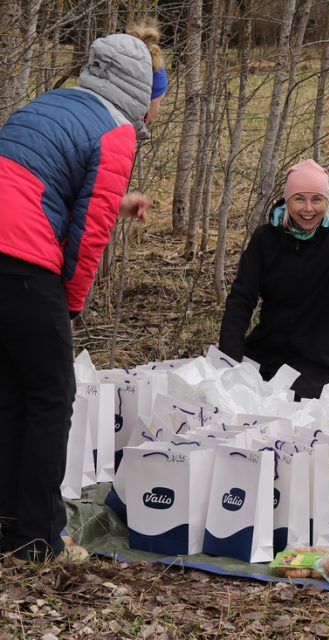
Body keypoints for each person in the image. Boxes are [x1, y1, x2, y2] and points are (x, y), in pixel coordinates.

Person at [0, 24, 168, 562]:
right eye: (157, 101)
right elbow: (88, 233)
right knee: (51, 397)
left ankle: (8, 523)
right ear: (141, 94)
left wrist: (120, 200)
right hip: (23, 261)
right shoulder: (115, 131)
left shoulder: (52, 104)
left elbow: (42, 181)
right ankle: (39, 538)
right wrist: (69, 305)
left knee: (10, 393)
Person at [218, 155, 329, 399]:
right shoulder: (266, 239)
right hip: (263, 353)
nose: (308, 209)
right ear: (287, 199)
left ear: (326, 201)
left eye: (317, 200)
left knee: (288, 413)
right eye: (299, 199)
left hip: (312, 363)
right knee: (233, 401)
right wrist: (227, 362)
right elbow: (241, 299)